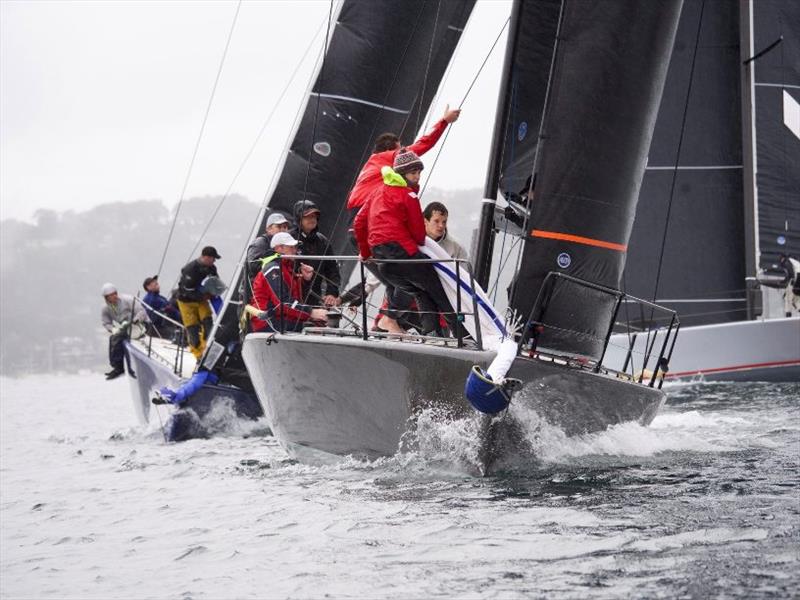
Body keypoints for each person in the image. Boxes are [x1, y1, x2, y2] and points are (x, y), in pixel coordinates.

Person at [354, 148, 457, 336]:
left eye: (419, 172)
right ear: (401, 174)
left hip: (382, 260)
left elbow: (358, 223)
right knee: (438, 291)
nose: (417, 177)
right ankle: (461, 334)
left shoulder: (377, 192)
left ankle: (432, 334)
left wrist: (367, 252)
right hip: (403, 254)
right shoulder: (408, 196)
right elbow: (419, 236)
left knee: (420, 292)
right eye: (413, 173)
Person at [346, 105, 461, 214]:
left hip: (356, 207)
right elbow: (423, 144)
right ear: (388, 150)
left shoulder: (372, 163)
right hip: (368, 205)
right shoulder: (387, 157)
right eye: (399, 149)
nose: (403, 155)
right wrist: (444, 121)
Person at [249, 232, 329, 332]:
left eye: (295, 247)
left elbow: (293, 299)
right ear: (279, 248)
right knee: (314, 330)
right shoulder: (272, 267)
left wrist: (306, 280)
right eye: (291, 247)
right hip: (267, 322)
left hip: (282, 319)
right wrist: (311, 312)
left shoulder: (287, 268)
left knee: (318, 327)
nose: (295, 250)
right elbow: (283, 302)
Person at [290, 200, 341, 307]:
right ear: (299, 218)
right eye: (308, 216)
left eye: (314, 216)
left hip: (314, 296)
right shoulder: (288, 239)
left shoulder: (323, 241)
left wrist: (331, 293)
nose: (312, 219)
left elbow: (332, 269)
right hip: (291, 297)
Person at [177, 246, 221, 360]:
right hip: (186, 301)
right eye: (213, 258)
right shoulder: (190, 269)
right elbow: (185, 290)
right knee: (193, 329)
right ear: (206, 257)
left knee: (208, 322)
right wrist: (202, 296)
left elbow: (216, 282)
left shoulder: (212, 268)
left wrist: (216, 291)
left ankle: (207, 348)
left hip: (201, 299)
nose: (214, 261)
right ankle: (198, 355)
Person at [100, 283, 147, 380]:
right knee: (113, 338)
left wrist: (135, 320)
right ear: (106, 298)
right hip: (124, 328)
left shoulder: (128, 300)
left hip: (138, 324)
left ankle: (119, 368)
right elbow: (106, 322)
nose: (113, 296)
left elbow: (141, 311)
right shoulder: (105, 309)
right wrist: (112, 329)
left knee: (117, 339)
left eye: (114, 294)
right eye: (110, 295)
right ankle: (117, 366)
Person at [423, 201, 470, 269]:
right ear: (425, 221)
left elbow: (464, 275)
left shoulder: (457, 248)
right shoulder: (412, 242)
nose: (441, 225)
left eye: (444, 222)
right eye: (436, 221)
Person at [246, 212, 290, 280]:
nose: (283, 230)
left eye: (285, 227)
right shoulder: (259, 243)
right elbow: (254, 267)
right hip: (258, 288)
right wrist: (276, 257)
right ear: (268, 229)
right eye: (279, 226)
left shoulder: (288, 245)